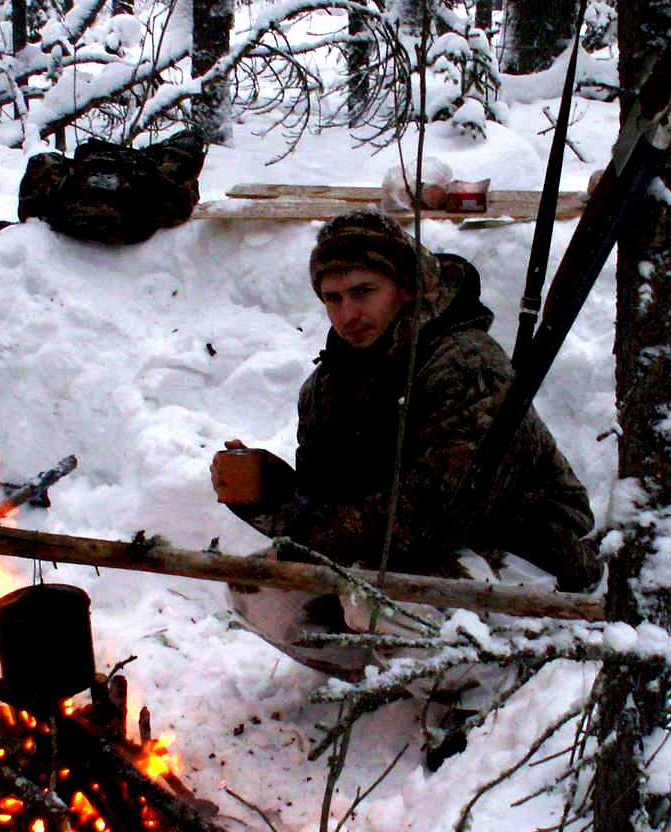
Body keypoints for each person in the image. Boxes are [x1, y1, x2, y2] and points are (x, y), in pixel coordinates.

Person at [211, 209, 598, 692]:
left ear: (406, 288)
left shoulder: (464, 363)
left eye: (363, 292)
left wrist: (305, 524)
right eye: (332, 298)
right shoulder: (328, 386)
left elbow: (440, 513)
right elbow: (332, 504)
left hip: (529, 550)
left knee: (370, 595)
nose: (347, 314)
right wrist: (271, 495)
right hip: (414, 551)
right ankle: (402, 676)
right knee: (259, 587)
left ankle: (500, 693)